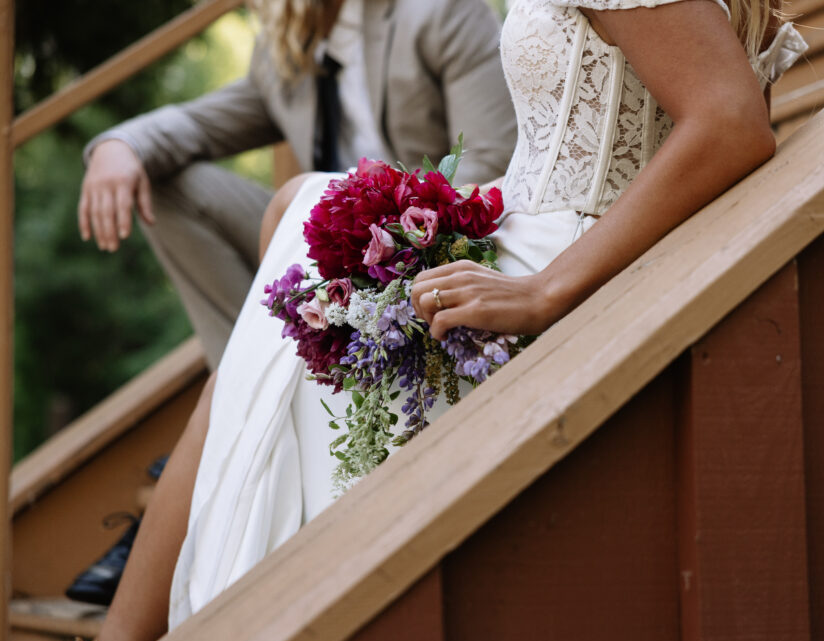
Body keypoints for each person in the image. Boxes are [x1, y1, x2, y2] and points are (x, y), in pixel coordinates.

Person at [72, 0, 807, 641]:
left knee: (295, 274)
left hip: (562, 268)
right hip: (525, 240)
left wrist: (543, 291)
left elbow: (730, 121)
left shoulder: (436, 12)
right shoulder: (293, 42)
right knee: (300, 227)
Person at [77, 0, 516, 369]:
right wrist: (122, 143)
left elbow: (488, 163)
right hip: (328, 257)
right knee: (164, 183)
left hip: (428, 249)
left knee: (300, 198)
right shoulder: (282, 50)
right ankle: (244, 384)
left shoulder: (440, 11)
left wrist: (385, 238)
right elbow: (199, 123)